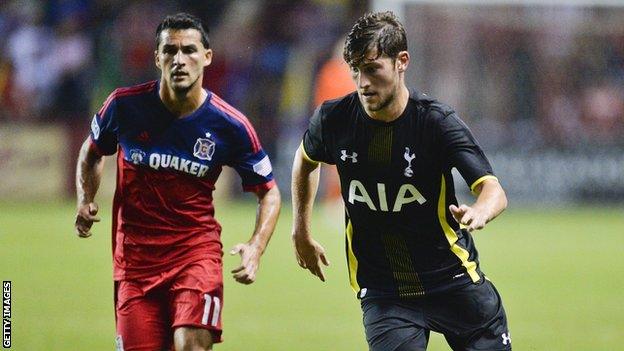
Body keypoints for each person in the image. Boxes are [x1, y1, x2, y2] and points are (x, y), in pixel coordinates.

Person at [291, 11, 511, 351]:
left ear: (401, 62)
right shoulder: (334, 120)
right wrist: (300, 230)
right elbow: (305, 161)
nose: (362, 82)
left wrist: (481, 211)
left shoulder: (436, 122)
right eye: (355, 70)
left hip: (452, 280)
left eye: (372, 69)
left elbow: (492, 189)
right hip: (385, 293)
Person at [74, 13, 281, 351]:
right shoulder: (124, 107)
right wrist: (85, 199)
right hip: (135, 265)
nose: (179, 60)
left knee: (191, 345)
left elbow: (269, 192)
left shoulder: (230, 125)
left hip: (195, 257)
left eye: (189, 50)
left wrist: (256, 247)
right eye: (169, 51)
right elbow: (92, 151)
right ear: (157, 58)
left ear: (207, 57)